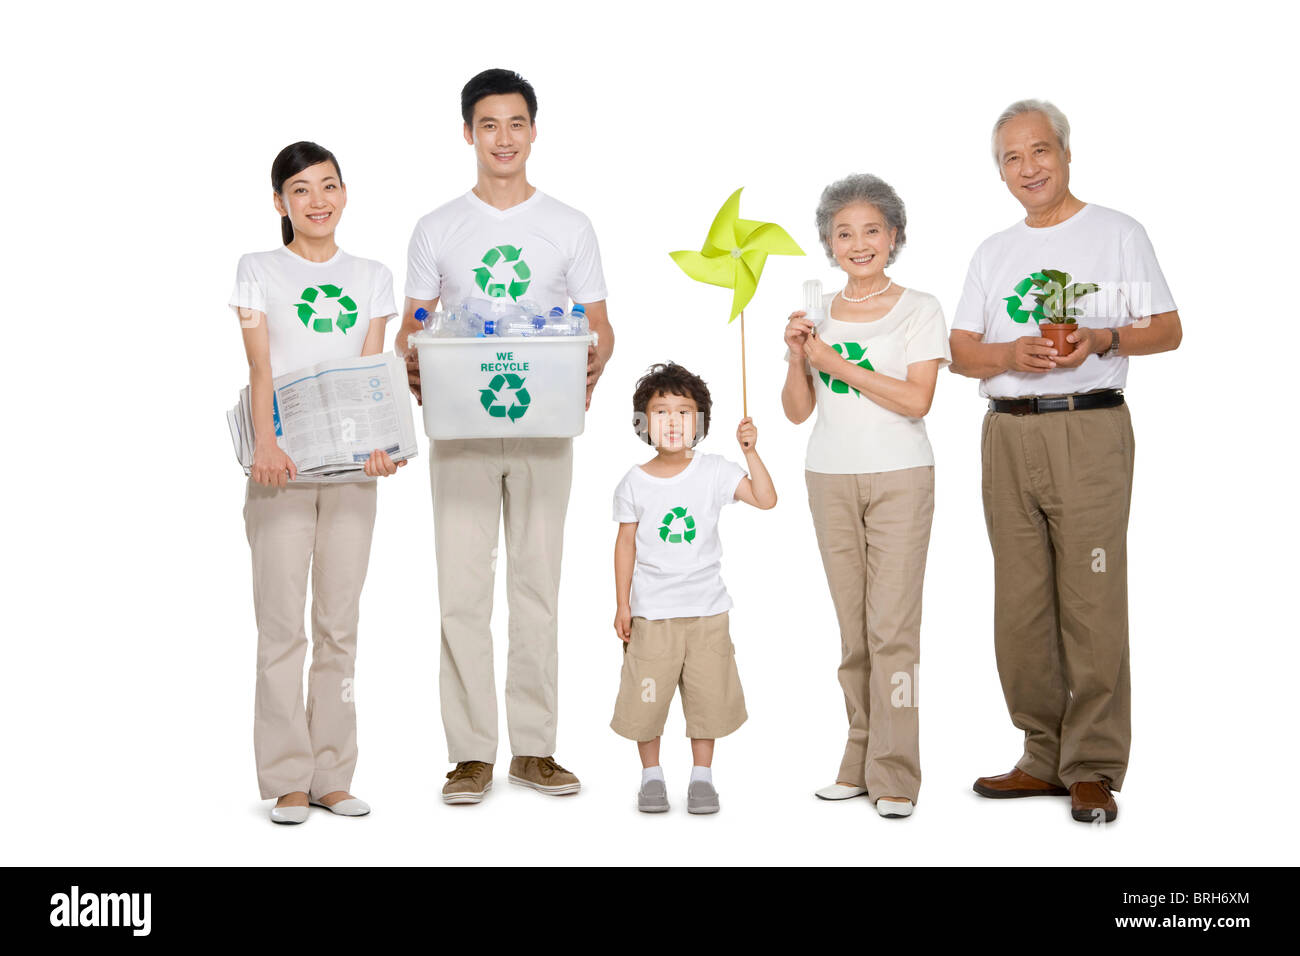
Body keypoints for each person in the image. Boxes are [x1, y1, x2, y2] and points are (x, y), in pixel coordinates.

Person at [949, 99, 1182, 824]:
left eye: (1040, 150)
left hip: (1088, 432)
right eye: (1012, 158)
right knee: (1019, 606)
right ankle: (1040, 755)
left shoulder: (1116, 234)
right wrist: (1010, 354)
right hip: (1007, 433)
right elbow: (960, 353)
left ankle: (1093, 765)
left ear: (1067, 152)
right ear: (1000, 171)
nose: (1029, 168)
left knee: (1092, 599)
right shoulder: (993, 251)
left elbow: (1168, 330)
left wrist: (1104, 340)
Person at [395, 68, 614, 804]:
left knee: (537, 585)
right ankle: (468, 754)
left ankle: (535, 748)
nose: (503, 138)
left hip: (545, 424)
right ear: (468, 133)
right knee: (461, 587)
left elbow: (599, 326)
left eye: (516, 123)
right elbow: (414, 325)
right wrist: (415, 363)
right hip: (460, 428)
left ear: (533, 130)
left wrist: (591, 363)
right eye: (488, 125)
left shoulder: (569, 225)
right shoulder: (437, 227)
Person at [228, 141, 403, 824]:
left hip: (353, 471)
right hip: (282, 466)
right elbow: (260, 366)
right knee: (281, 628)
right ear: (280, 203)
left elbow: (371, 376)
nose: (318, 200)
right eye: (301, 190)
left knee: (339, 626)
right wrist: (267, 443)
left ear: (345, 193)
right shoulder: (255, 271)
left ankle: (333, 773)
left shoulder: (373, 277)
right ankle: (286, 778)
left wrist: (383, 447)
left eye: (329, 186)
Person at [781, 174, 950, 819]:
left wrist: (836, 363)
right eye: (844, 233)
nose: (858, 243)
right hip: (829, 476)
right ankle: (858, 758)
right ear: (828, 242)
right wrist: (798, 357)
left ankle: (896, 770)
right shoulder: (815, 314)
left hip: (901, 476)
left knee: (893, 632)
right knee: (854, 635)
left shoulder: (920, 308)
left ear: (894, 236)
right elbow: (797, 414)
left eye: (871, 231)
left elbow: (917, 399)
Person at [610, 363, 776, 813]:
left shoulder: (716, 472)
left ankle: (702, 777)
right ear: (643, 423)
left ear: (700, 422)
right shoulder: (633, 482)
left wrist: (751, 452)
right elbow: (625, 545)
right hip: (651, 615)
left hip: (707, 612)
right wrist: (622, 604)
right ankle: (651, 776)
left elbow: (766, 498)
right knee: (647, 700)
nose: (672, 422)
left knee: (707, 698)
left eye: (684, 412)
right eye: (661, 411)